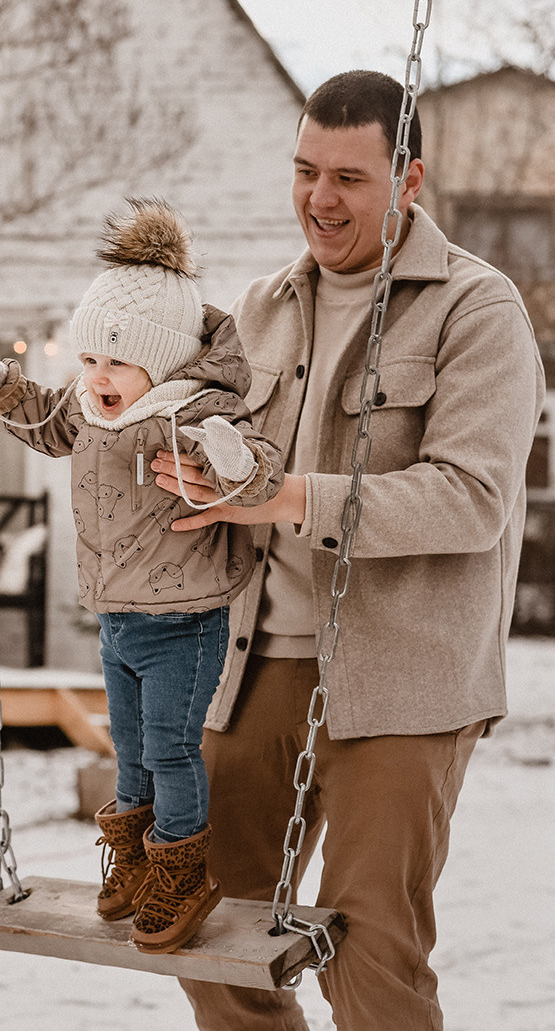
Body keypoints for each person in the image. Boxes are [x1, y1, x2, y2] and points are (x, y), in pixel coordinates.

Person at [148, 71, 545, 1029]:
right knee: (211, 933)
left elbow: (470, 498)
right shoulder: (258, 308)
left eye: (348, 178)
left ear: (408, 179)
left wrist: (284, 495)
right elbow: (199, 451)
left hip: (403, 675)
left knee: (370, 955)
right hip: (253, 664)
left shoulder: (475, 310)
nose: (319, 199)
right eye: (304, 170)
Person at [0, 197, 284, 955]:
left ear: (162, 360)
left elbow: (259, 469)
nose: (97, 377)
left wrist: (230, 459)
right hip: (118, 620)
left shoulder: (195, 412)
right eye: (90, 359)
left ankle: (181, 874)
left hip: (185, 624)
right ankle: (133, 860)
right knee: (127, 752)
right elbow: (42, 418)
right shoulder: (90, 409)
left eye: (116, 363)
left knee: (169, 749)